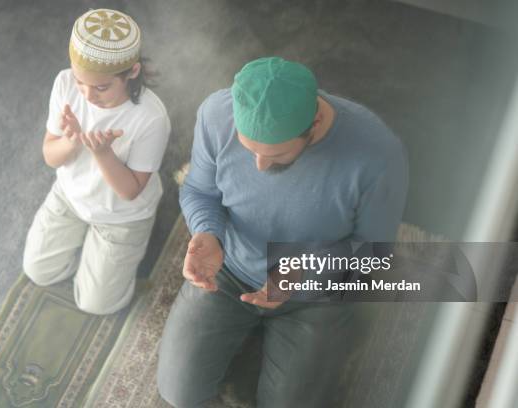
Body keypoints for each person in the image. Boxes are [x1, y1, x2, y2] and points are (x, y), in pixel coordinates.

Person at [157, 57, 408, 407]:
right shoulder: (216, 113)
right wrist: (207, 233)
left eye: (276, 155)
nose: (259, 165)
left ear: (315, 122)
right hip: (229, 271)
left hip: (315, 295)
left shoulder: (377, 155)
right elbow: (199, 190)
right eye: (250, 150)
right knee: (177, 394)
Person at [22, 9, 171, 315]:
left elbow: (130, 191)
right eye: (81, 82)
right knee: (39, 271)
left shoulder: (151, 118)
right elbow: (51, 155)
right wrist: (72, 140)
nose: (88, 96)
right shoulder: (64, 83)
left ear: (131, 72)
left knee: (97, 305)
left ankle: (134, 240)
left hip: (122, 216)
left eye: (101, 87)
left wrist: (103, 153)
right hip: (71, 196)